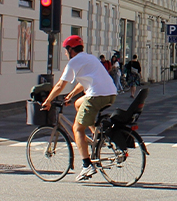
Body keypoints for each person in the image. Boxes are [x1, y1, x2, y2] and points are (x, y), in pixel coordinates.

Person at [41, 35, 119, 182]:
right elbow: (84, 82)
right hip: (110, 94)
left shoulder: (74, 62)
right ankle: (97, 134)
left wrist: (48, 101)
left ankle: (86, 165)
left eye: (66, 50)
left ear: (71, 50)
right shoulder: (90, 58)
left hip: (96, 96)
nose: (65, 53)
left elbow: (59, 85)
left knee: (77, 128)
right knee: (78, 104)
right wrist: (71, 95)